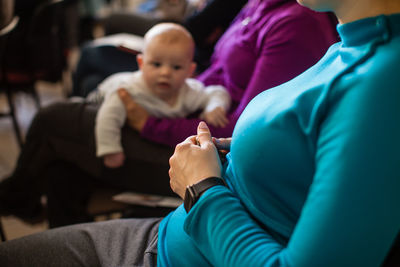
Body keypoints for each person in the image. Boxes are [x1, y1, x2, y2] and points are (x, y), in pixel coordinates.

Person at [0, 0, 399, 265]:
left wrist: (202, 188)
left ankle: (15, 197)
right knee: (62, 169)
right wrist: (231, 151)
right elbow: (302, 145)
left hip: (174, 248)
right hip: (174, 234)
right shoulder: (353, 44)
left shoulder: (382, 84)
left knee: (58, 122)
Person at [94, 23, 230, 168]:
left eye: (176, 67)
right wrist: (110, 149)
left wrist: (214, 106)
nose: (165, 73)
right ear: (141, 63)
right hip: (101, 96)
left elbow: (217, 92)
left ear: (190, 71)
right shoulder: (129, 91)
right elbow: (108, 118)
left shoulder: (190, 92)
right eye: (156, 64)